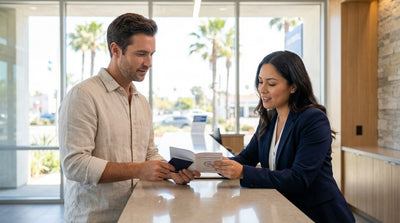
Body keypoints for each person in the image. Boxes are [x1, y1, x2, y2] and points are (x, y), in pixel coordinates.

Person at [59, 13, 199, 223]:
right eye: (141, 54)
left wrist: (170, 172)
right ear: (116, 50)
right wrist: (139, 169)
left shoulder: (141, 101)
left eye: (152, 54)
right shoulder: (83, 95)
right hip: (97, 218)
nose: (149, 63)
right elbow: (74, 164)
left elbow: (149, 152)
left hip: (140, 213)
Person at [212, 51, 355, 223]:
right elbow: (246, 158)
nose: (262, 89)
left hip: (317, 215)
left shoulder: (313, 119)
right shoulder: (270, 118)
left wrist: (243, 172)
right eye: (260, 81)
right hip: (282, 210)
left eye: (271, 83)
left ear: (293, 86)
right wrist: (209, 164)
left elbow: (299, 179)